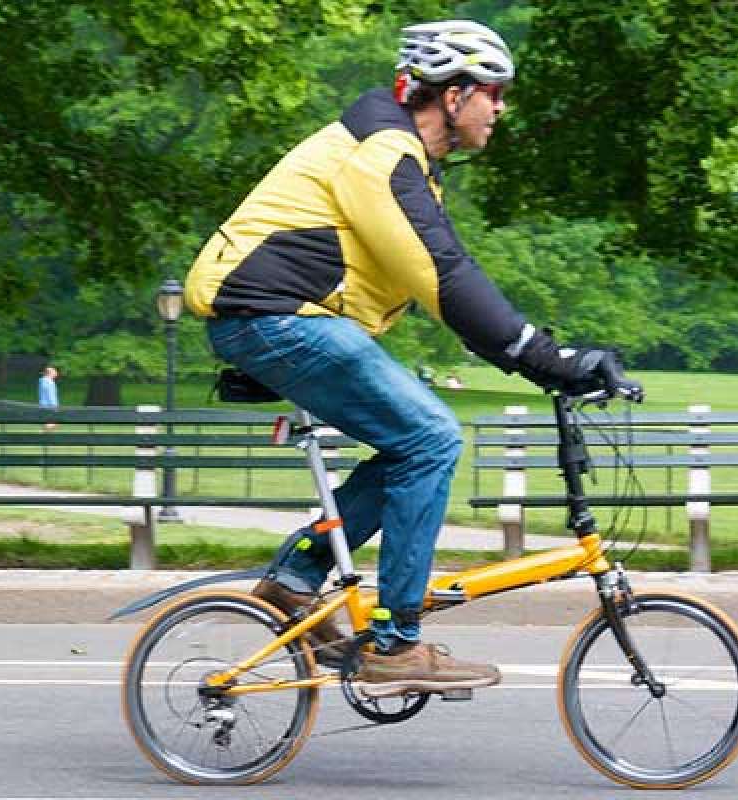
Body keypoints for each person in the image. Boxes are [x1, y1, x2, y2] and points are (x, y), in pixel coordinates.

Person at [184, 20, 641, 696]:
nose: (501, 108)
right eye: (494, 92)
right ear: (453, 95)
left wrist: (547, 353)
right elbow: (444, 275)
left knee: (411, 446)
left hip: (276, 321)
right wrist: (547, 359)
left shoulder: (402, 164)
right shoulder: (383, 154)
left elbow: (445, 290)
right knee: (431, 438)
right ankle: (395, 644)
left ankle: (293, 581)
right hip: (274, 317)